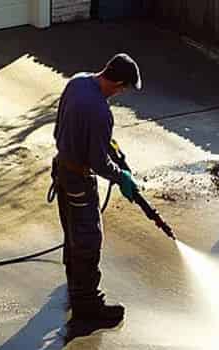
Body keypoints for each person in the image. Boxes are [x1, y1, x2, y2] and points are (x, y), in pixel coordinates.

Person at [52, 53, 142, 329]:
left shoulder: (77, 82)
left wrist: (112, 149)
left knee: (72, 232)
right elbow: (97, 162)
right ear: (117, 83)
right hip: (79, 179)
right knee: (89, 240)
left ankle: (75, 285)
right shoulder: (101, 112)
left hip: (61, 170)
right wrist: (122, 177)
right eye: (123, 88)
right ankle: (88, 304)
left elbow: (64, 129)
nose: (121, 94)